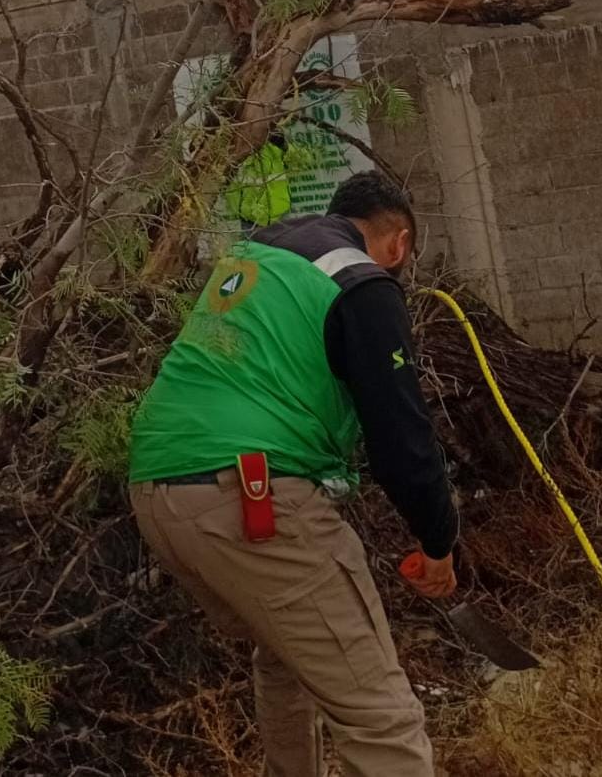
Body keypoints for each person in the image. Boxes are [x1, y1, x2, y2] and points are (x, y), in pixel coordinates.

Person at [129, 171, 458, 777]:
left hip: (158, 491)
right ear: (399, 243)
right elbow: (402, 442)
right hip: (247, 495)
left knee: (288, 658)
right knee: (381, 717)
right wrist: (438, 540)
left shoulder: (266, 248)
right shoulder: (364, 283)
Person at [224, 131, 292, 234]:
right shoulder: (238, 147)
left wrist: (283, 146)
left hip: (272, 214)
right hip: (253, 216)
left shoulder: (272, 148)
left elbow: (303, 160)